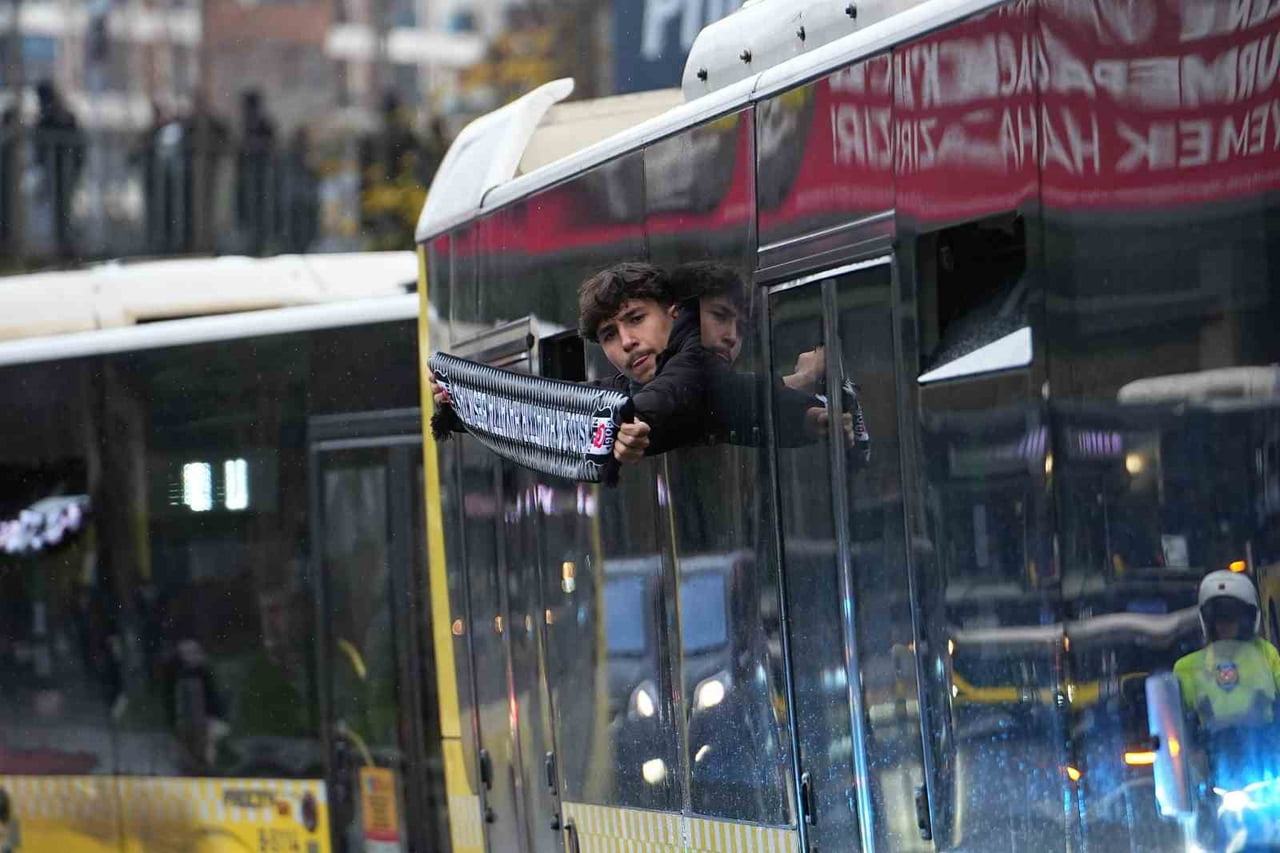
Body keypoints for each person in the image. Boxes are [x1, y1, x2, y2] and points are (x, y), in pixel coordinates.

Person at [33, 81, 84, 258]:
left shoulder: (58, 116)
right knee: (60, 210)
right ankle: (64, 246)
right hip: (57, 171)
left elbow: (77, 145)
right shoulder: (53, 116)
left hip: (63, 171)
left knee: (63, 210)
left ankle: (67, 246)